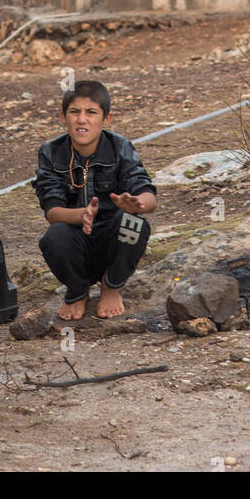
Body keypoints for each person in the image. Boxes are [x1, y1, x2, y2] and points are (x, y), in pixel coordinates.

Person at [32, 79, 157, 320]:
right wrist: (81, 215)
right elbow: (52, 210)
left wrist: (138, 203)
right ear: (62, 117)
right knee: (54, 235)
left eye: (91, 112)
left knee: (132, 222)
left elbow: (148, 193)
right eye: (74, 112)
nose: (82, 120)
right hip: (76, 246)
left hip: (114, 246)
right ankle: (78, 290)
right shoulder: (50, 152)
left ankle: (111, 286)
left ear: (106, 119)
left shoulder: (120, 147)